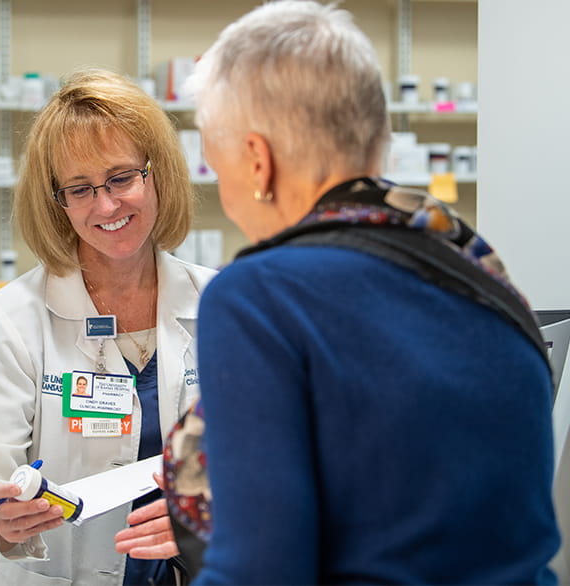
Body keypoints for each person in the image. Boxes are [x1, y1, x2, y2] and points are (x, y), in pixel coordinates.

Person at [158, 2, 561, 584]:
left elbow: (260, 571)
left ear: (256, 161)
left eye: (218, 169)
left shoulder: (261, 296)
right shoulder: (481, 272)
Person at [0, 68, 216, 585]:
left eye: (120, 178)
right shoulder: (14, 318)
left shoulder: (222, 304)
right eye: (80, 188)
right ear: (57, 201)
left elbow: (268, 462)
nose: (106, 205)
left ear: (157, 174)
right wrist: (1, 520)